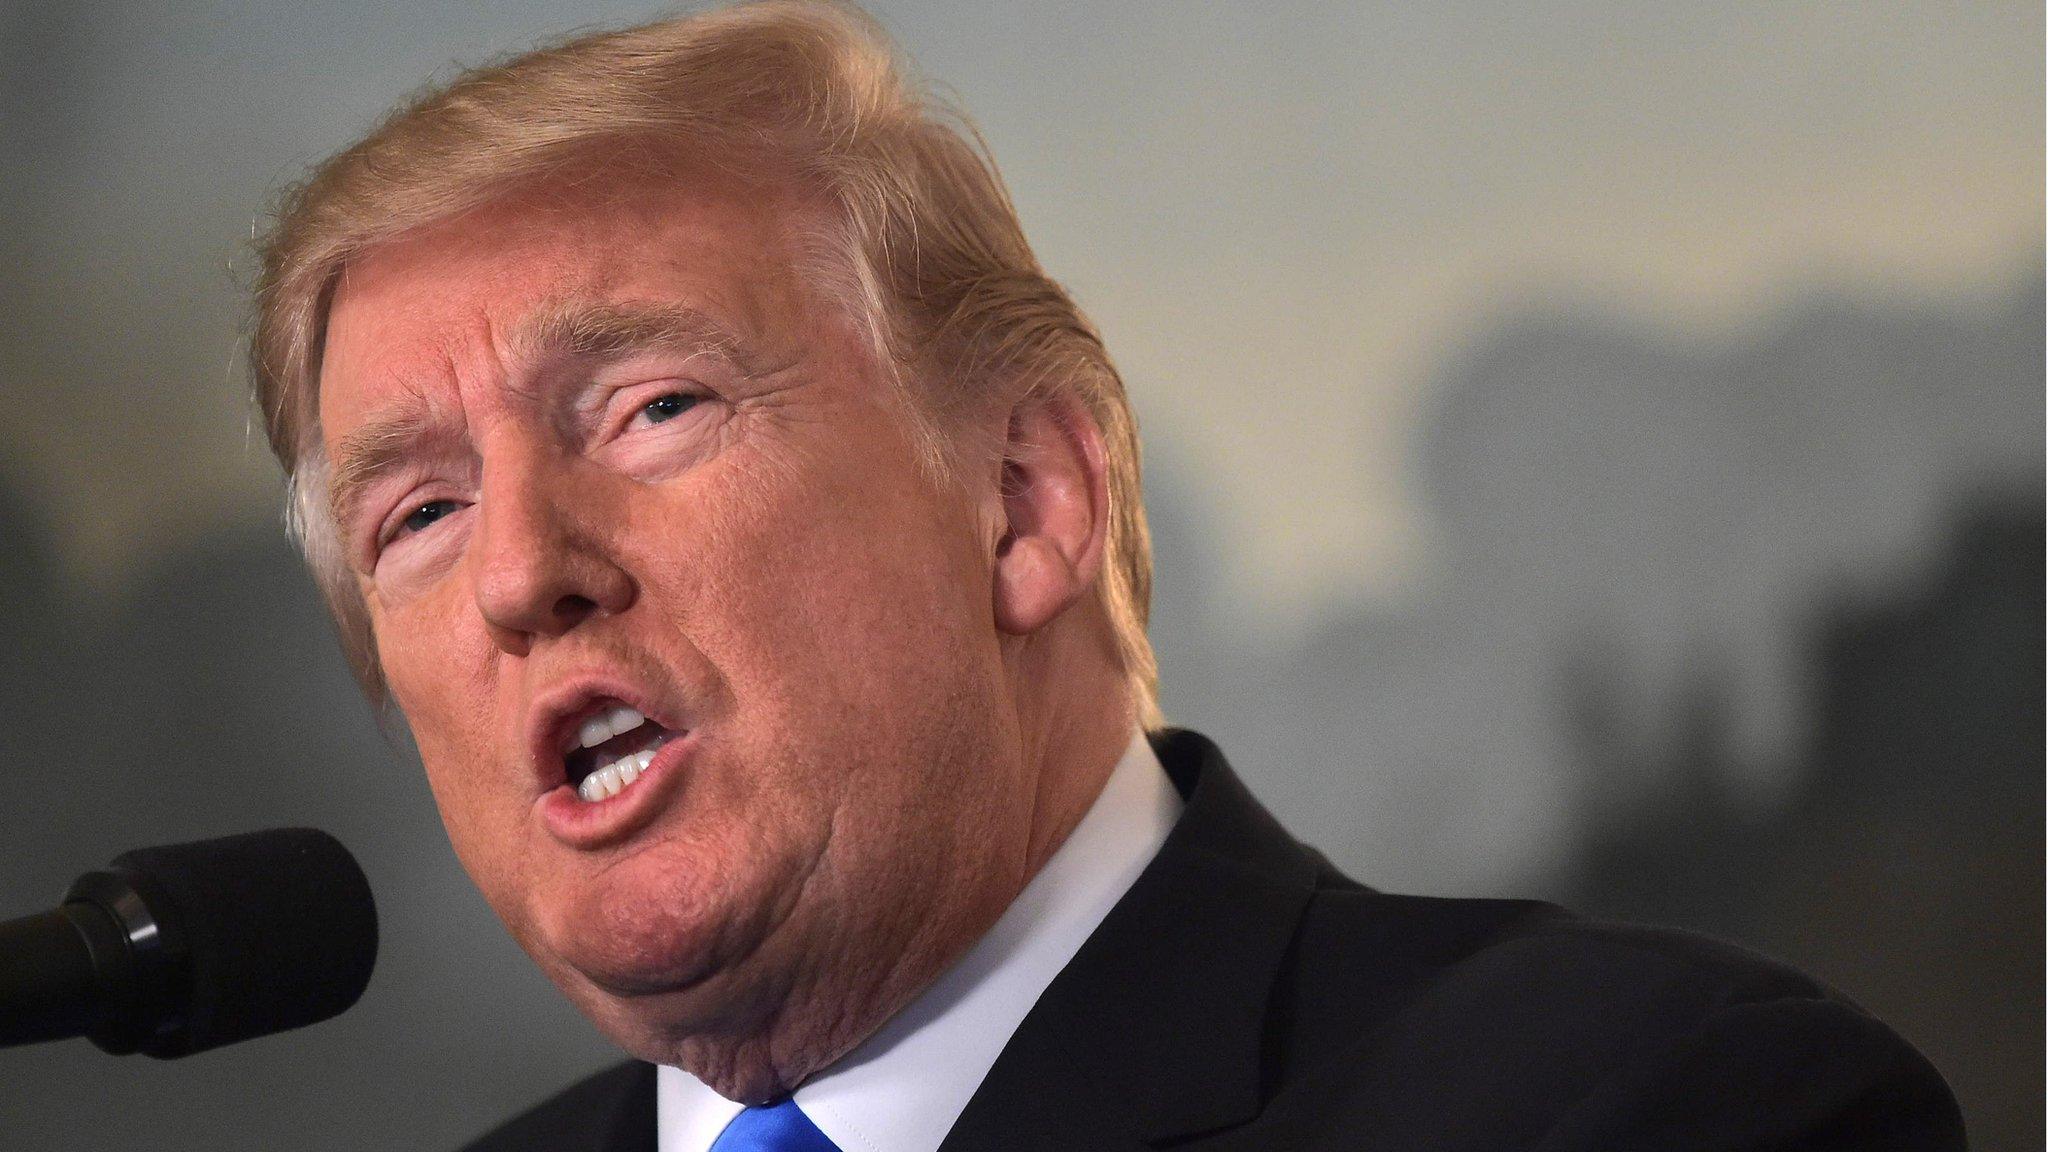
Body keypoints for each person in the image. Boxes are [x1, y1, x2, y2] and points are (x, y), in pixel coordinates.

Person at [248, 3, 1964, 1149]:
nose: (524, 573)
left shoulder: (1654, 1109)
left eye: (652, 406)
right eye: (418, 515)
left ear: (1026, 499)